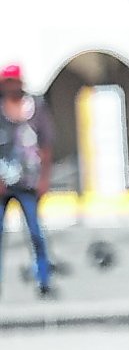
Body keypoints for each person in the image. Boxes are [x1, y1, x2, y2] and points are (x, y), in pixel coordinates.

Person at [0, 64, 55, 299]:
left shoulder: (35, 108)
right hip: (2, 183)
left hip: (29, 183)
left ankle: (43, 279)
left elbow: (46, 145)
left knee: (35, 233)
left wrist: (44, 178)